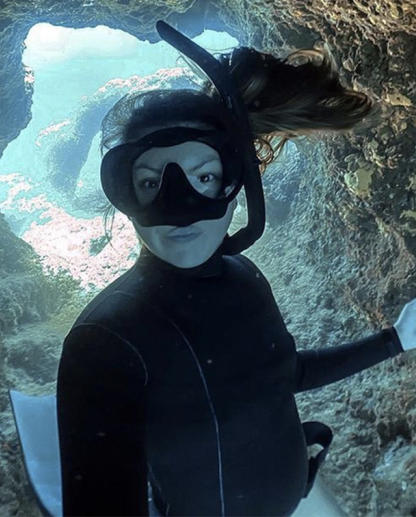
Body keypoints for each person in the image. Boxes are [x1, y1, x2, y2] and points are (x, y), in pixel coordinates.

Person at [56, 21, 416, 516]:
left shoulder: (244, 276)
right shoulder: (106, 340)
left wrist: (395, 339)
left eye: (203, 177)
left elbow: (281, 375)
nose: (180, 207)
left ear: (237, 180)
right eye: (149, 182)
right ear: (123, 196)